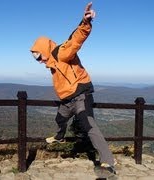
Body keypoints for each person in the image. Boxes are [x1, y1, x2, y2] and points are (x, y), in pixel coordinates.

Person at [30, 2, 116, 175]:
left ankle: (108, 161)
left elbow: (75, 40)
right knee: (60, 118)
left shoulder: (61, 53)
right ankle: (59, 137)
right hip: (68, 99)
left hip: (81, 95)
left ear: (44, 49)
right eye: (35, 58)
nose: (39, 61)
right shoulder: (52, 63)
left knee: (88, 125)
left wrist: (85, 22)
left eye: (38, 56)